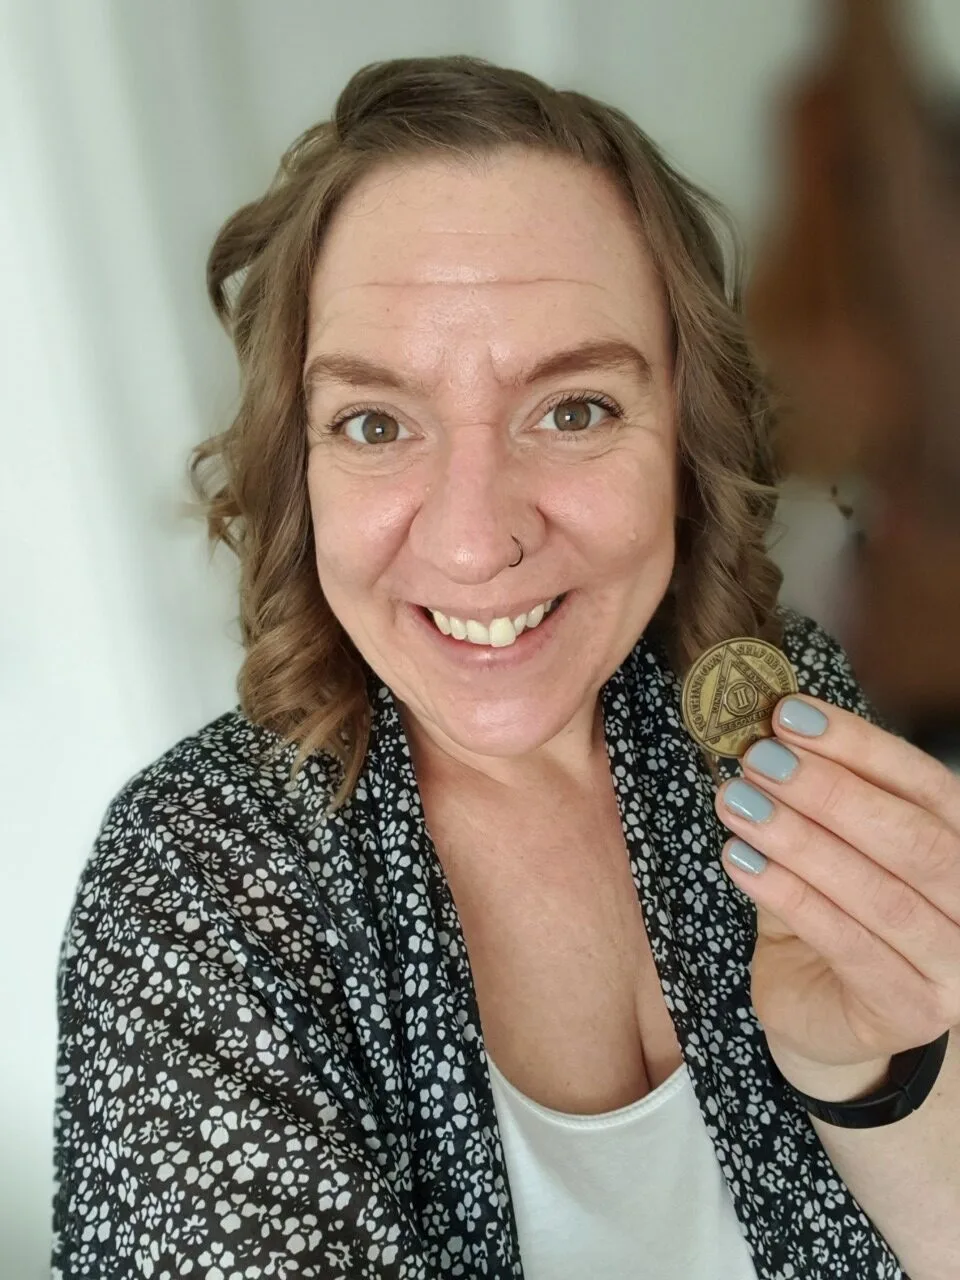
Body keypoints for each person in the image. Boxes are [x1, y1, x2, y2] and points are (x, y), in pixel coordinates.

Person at [52, 55, 960, 1280]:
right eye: (377, 423)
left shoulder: (776, 712)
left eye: (573, 408)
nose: (478, 537)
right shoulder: (196, 888)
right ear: (296, 469)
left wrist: (871, 1073)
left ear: (687, 437)